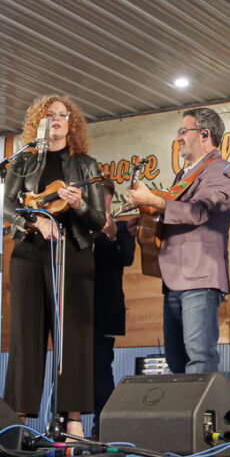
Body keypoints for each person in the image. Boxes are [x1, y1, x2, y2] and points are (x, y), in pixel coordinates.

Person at [4, 95, 106, 438]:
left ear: (71, 124)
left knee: (72, 335)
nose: (58, 120)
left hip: (73, 253)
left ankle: (72, 420)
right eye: (51, 115)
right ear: (39, 122)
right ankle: (18, 421)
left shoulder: (87, 164)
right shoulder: (23, 162)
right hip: (29, 253)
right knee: (25, 332)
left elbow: (98, 219)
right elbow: (5, 208)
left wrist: (77, 206)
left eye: (64, 115)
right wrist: (36, 223)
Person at [126, 107, 230, 374]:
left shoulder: (223, 170)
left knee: (200, 359)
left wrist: (153, 200)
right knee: (177, 362)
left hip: (200, 277)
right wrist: (148, 222)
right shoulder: (185, 175)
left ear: (204, 135)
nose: (178, 137)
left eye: (182, 131)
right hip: (174, 278)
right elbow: (176, 217)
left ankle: (203, 417)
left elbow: (199, 211)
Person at [90, 180, 136, 439]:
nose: (101, 201)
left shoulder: (121, 227)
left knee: (100, 370)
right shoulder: (78, 226)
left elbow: (126, 258)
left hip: (105, 311)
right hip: (76, 310)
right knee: (67, 370)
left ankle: (101, 429)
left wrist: (111, 235)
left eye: (105, 196)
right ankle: (64, 425)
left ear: (110, 199)